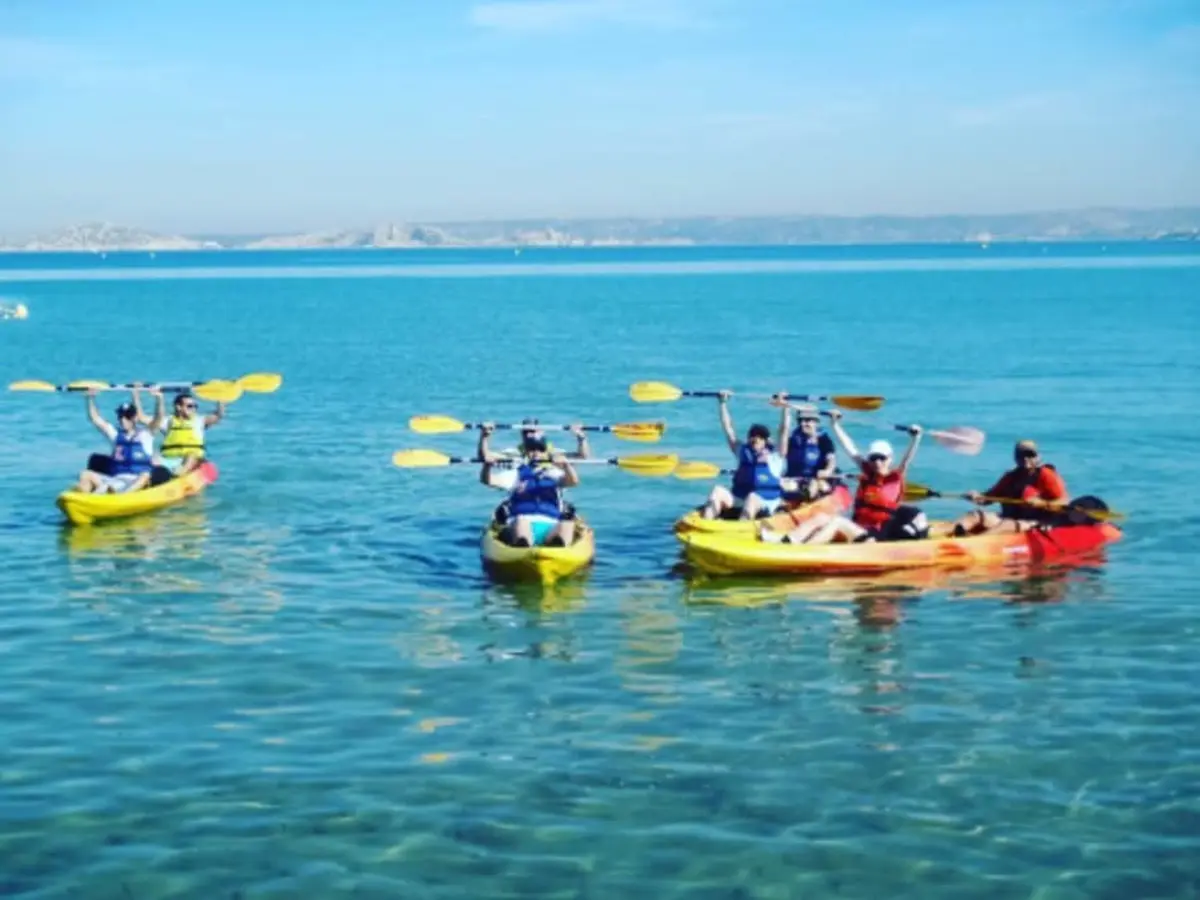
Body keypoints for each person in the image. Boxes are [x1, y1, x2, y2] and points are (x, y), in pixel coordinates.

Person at [764, 409, 923, 543]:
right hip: (857, 529)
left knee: (838, 521)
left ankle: (805, 549)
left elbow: (907, 460)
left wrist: (916, 439)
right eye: (874, 458)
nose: (878, 462)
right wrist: (835, 425)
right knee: (822, 517)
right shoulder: (868, 473)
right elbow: (850, 448)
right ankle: (788, 540)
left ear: (890, 459)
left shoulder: (895, 478)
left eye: (882, 458)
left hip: (875, 537)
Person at [479, 422, 582, 547]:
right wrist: (487, 466)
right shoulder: (516, 473)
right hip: (522, 522)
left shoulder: (554, 473)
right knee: (522, 521)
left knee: (567, 524)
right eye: (532, 450)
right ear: (526, 453)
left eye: (540, 450)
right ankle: (523, 545)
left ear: (546, 452)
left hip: (551, 524)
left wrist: (566, 465)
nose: (536, 453)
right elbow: (488, 480)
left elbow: (573, 481)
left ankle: (557, 546)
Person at [947, 440, 1069, 535]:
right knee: (975, 515)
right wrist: (977, 497)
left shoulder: (1046, 475)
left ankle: (975, 542)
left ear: (1037, 457)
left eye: (1030, 455)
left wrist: (1041, 503)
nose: (1026, 459)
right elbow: (988, 498)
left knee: (1007, 525)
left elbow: (1064, 503)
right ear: (1015, 458)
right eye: (1021, 456)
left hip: (1034, 522)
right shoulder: (1010, 477)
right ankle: (944, 532)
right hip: (1009, 518)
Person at [700, 391, 786, 520]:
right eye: (752, 436)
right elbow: (728, 429)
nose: (755, 439)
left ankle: (740, 527)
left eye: (759, 437)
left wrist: (784, 407)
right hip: (740, 498)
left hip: (766, 502)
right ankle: (706, 523)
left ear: (765, 441)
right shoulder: (742, 451)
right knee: (717, 491)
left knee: (752, 498)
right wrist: (722, 403)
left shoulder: (776, 457)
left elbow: (783, 431)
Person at [75, 388, 165, 494]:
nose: (123, 420)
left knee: (145, 475)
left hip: (135, 481)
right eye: (120, 416)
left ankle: (121, 495)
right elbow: (95, 419)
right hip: (116, 479)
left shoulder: (145, 435)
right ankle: (85, 498)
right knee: (85, 474)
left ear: (135, 419)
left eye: (127, 417)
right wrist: (90, 398)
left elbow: (158, 419)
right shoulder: (115, 435)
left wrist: (159, 399)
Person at [138, 389, 225, 476]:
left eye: (195, 406)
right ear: (178, 407)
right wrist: (137, 393)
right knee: (154, 458)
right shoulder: (168, 421)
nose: (193, 409)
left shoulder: (200, 421)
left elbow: (219, 415)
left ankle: (178, 475)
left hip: (192, 461)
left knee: (190, 456)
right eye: (190, 406)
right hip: (171, 460)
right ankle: (156, 477)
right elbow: (142, 418)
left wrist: (220, 396)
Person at [772, 396, 838, 503]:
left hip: (815, 478)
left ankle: (809, 500)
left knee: (816, 486)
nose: (803, 424)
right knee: (780, 485)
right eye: (801, 421)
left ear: (816, 422)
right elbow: (784, 429)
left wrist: (828, 471)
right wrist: (785, 407)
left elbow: (831, 460)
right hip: (794, 478)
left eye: (807, 420)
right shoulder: (793, 438)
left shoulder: (823, 440)